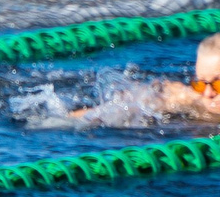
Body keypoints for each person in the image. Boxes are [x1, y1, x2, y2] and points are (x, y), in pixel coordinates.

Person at [66, 33, 220, 127]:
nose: (208, 93)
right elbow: (124, 108)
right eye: (199, 84)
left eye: (217, 84)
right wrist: (65, 121)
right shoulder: (188, 98)